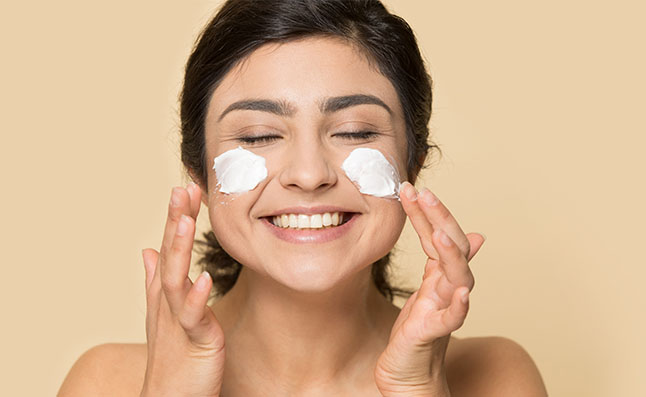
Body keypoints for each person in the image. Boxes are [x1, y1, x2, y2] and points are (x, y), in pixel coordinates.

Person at [58, 0, 548, 395]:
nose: (310, 174)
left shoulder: (494, 378)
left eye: (355, 131)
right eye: (256, 136)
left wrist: (416, 387)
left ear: (413, 162)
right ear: (198, 176)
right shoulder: (106, 383)